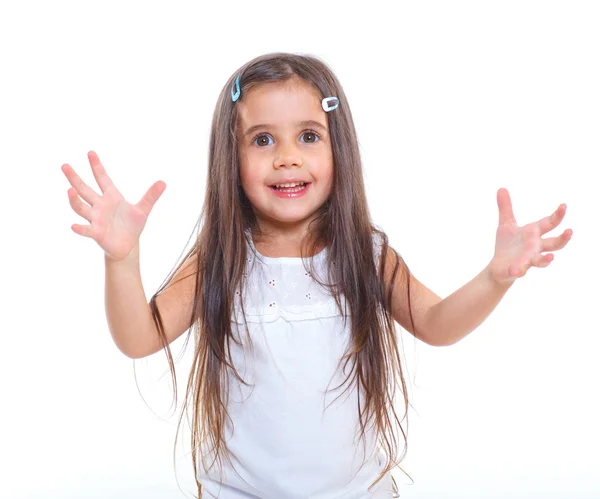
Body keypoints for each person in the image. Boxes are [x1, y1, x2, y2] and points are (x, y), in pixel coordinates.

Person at [61, 52, 573, 499]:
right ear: (230, 158)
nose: (287, 157)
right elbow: (138, 338)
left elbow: (437, 324)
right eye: (262, 140)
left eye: (308, 136)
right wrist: (122, 260)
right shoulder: (221, 259)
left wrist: (496, 277)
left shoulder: (365, 255)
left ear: (338, 150)